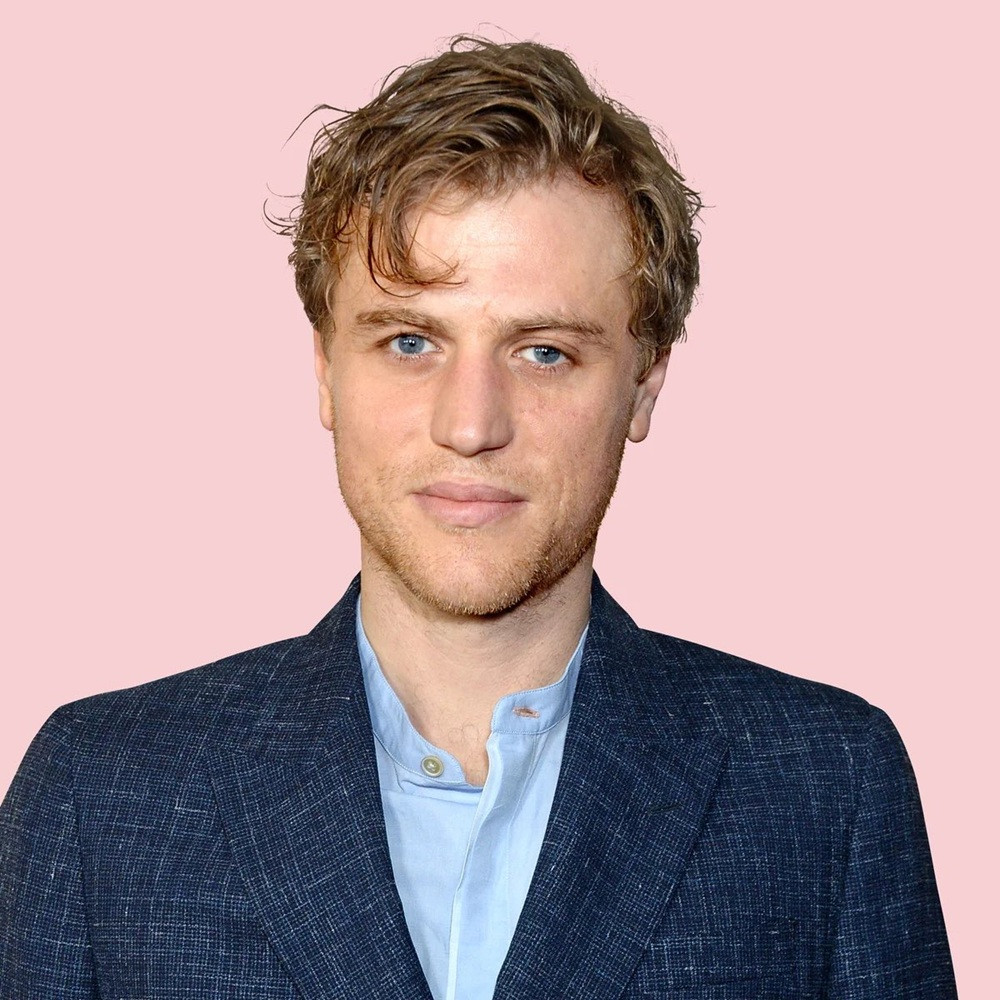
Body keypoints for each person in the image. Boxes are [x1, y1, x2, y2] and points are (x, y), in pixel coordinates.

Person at [0, 36, 956, 1000]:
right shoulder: (98, 795)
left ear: (644, 385)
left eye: (544, 352)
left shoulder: (828, 787)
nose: (470, 425)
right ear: (325, 371)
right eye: (410, 341)